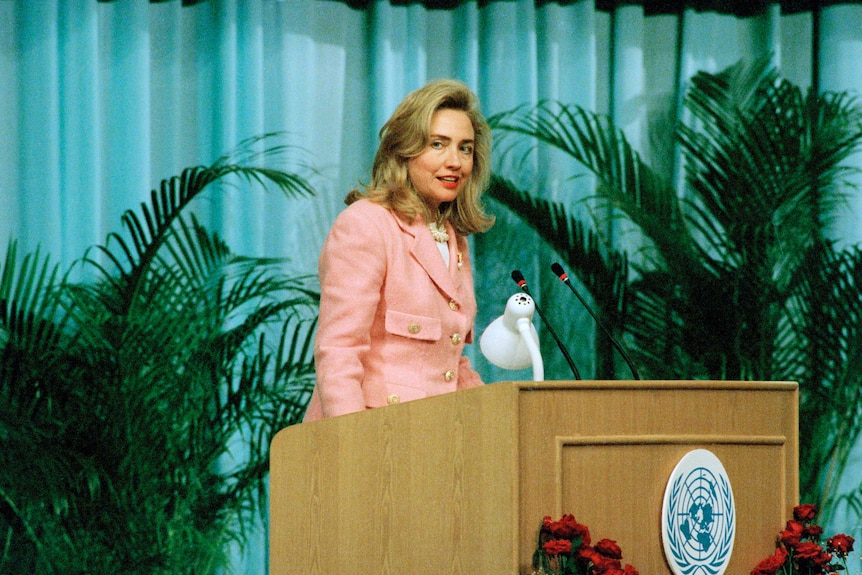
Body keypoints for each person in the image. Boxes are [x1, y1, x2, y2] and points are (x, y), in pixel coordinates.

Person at [303, 79, 495, 421]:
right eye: (438, 144)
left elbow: (447, 363)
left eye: (465, 148)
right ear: (404, 150)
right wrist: (354, 446)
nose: (455, 161)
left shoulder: (452, 237)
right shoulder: (365, 224)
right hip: (376, 440)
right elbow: (339, 352)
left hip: (435, 439)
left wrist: (499, 416)